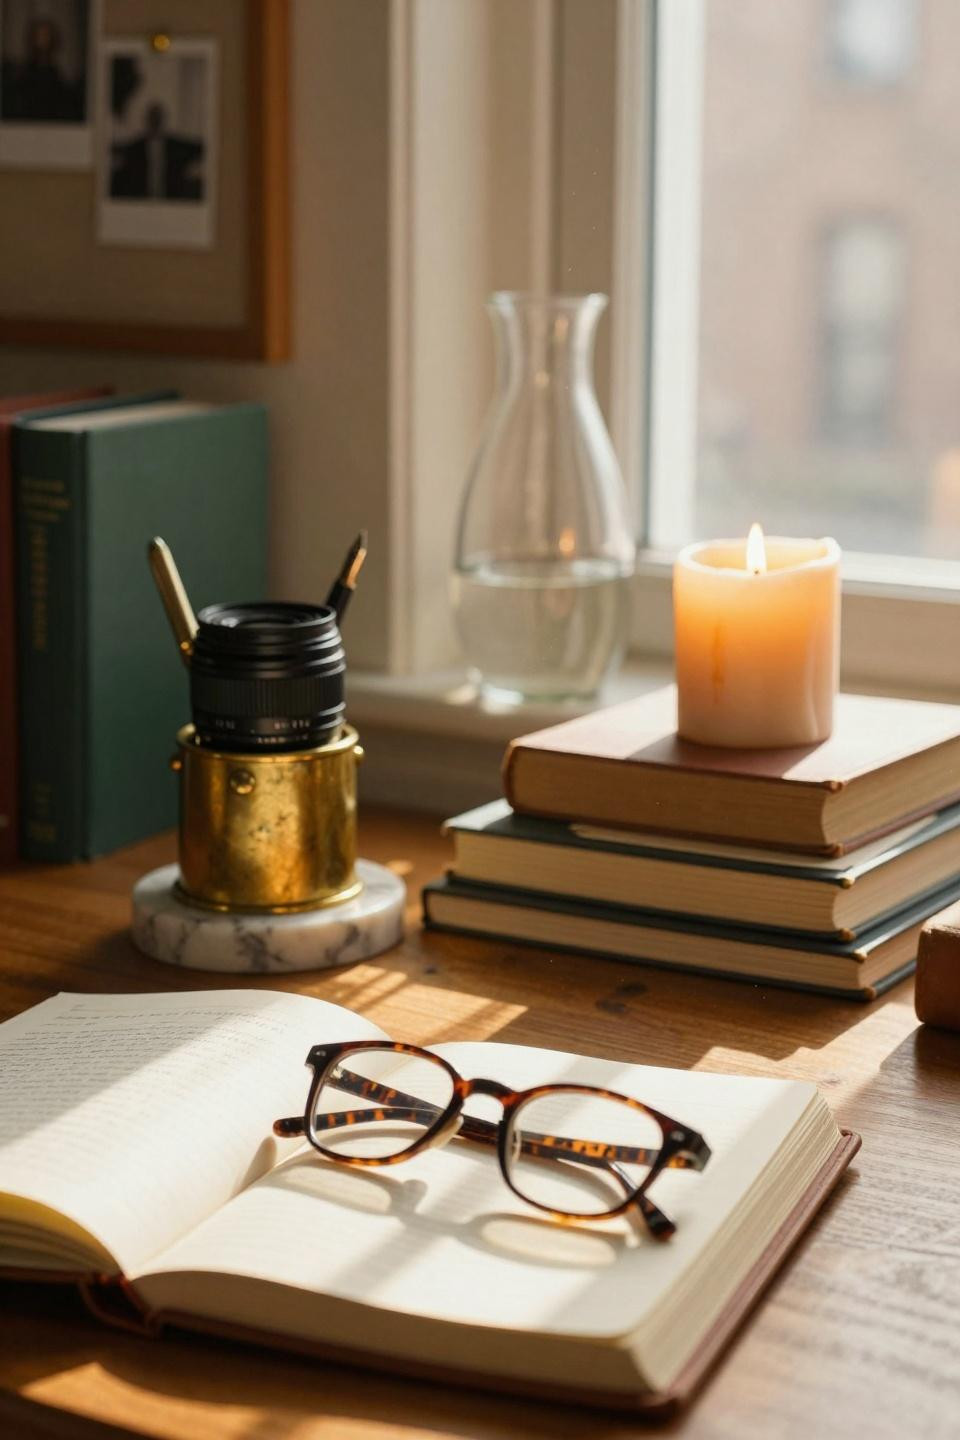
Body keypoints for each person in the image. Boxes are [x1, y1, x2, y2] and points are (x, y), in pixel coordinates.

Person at [110, 100, 204, 201]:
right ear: (147, 120)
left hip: (171, 198)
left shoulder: (176, 146)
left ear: (162, 120)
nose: (155, 121)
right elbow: (118, 151)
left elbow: (200, 148)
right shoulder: (135, 148)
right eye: (153, 118)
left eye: (157, 118)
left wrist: (193, 170)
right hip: (141, 199)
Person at [1, 15, 84, 123]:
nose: (42, 41)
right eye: (38, 36)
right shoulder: (21, 81)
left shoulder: (60, 83)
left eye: (46, 36)